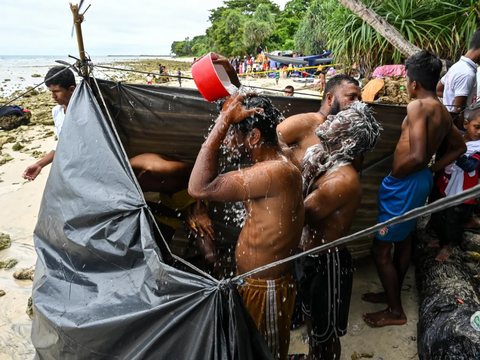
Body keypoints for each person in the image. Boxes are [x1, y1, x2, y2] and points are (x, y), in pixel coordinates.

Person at [189, 94, 304, 360]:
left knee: (266, 355)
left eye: (230, 135)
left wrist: (223, 121)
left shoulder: (273, 172)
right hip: (258, 284)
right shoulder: (280, 157)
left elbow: (198, 187)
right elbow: (260, 109)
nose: (227, 143)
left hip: (267, 289)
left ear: (253, 137)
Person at [362, 50, 467, 327]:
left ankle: (396, 311)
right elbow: (460, 147)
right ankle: (391, 290)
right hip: (418, 181)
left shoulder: (417, 107)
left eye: (407, 81)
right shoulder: (443, 112)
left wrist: (395, 176)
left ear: (414, 84)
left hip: (404, 184)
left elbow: (418, 155)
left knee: (380, 249)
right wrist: (430, 171)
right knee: (404, 238)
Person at [297, 102, 381, 360]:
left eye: (341, 120)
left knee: (327, 332)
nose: (332, 119)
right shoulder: (321, 154)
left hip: (327, 263)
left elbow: (296, 215)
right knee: (312, 320)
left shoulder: (342, 181)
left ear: (347, 140)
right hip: (308, 255)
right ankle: (313, 356)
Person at [129, 153, 216, 266]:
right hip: (169, 202)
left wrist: (200, 209)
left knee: (209, 256)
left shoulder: (156, 167)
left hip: (191, 195)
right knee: (156, 254)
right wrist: (180, 215)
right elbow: (145, 207)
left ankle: (219, 272)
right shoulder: (122, 186)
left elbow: (201, 170)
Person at [277, 74, 362, 165]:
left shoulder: (352, 135)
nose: (358, 103)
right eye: (351, 97)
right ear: (330, 98)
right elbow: (263, 149)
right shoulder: (300, 123)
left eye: (359, 99)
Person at [433, 107, 480, 261]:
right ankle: (440, 241)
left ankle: (449, 246)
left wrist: (458, 152)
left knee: (453, 219)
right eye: (477, 127)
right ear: (466, 124)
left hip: (463, 191)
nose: (479, 132)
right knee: (441, 215)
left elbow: (470, 166)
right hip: (446, 185)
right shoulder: (457, 137)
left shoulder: (478, 148)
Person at [22, 66, 76, 181]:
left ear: (72, 90)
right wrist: (39, 164)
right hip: (68, 168)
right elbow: (62, 145)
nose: (53, 96)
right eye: (51, 91)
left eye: (56, 91)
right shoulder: (57, 112)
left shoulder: (85, 112)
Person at [436, 28, 480, 129]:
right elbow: (458, 111)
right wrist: (462, 135)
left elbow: (438, 89)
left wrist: (451, 98)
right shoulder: (467, 73)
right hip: (462, 127)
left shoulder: (457, 66)